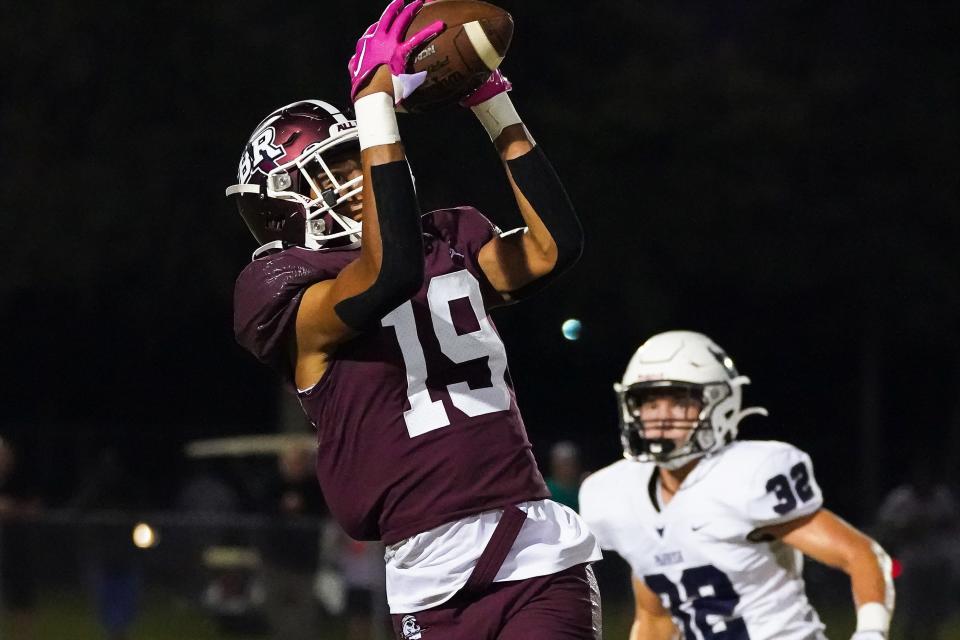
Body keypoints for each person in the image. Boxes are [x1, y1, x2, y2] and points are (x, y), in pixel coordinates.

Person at [227, 1, 601, 637]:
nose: (353, 177)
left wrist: (492, 103)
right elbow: (386, 272)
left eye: (354, 159)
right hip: (425, 568)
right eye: (330, 169)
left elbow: (552, 247)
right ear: (281, 205)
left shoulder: (448, 238)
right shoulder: (281, 292)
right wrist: (374, 102)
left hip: (534, 547)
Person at [578, 331, 895, 640]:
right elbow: (655, 618)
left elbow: (860, 554)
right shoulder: (617, 493)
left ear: (719, 404)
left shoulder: (748, 475)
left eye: (678, 402)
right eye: (649, 403)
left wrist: (871, 630)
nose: (661, 417)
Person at [544, 440, 584, 512]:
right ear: (554, 465)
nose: (569, 468)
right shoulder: (543, 491)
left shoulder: (584, 488)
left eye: (572, 463)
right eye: (565, 464)